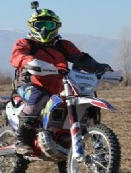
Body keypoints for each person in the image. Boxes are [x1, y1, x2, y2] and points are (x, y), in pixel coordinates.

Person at [10, 8, 111, 154]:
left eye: (49, 25)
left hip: (59, 86)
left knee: (79, 101)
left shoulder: (64, 45)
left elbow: (80, 58)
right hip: (29, 84)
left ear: (56, 27)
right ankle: (22, 137)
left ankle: (66, 146)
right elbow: (17, 56)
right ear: (32, 26)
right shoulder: (26, 43)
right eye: (39, 25)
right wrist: (30, 62)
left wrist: (97, 67)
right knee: (39, 95)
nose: (44, 29)